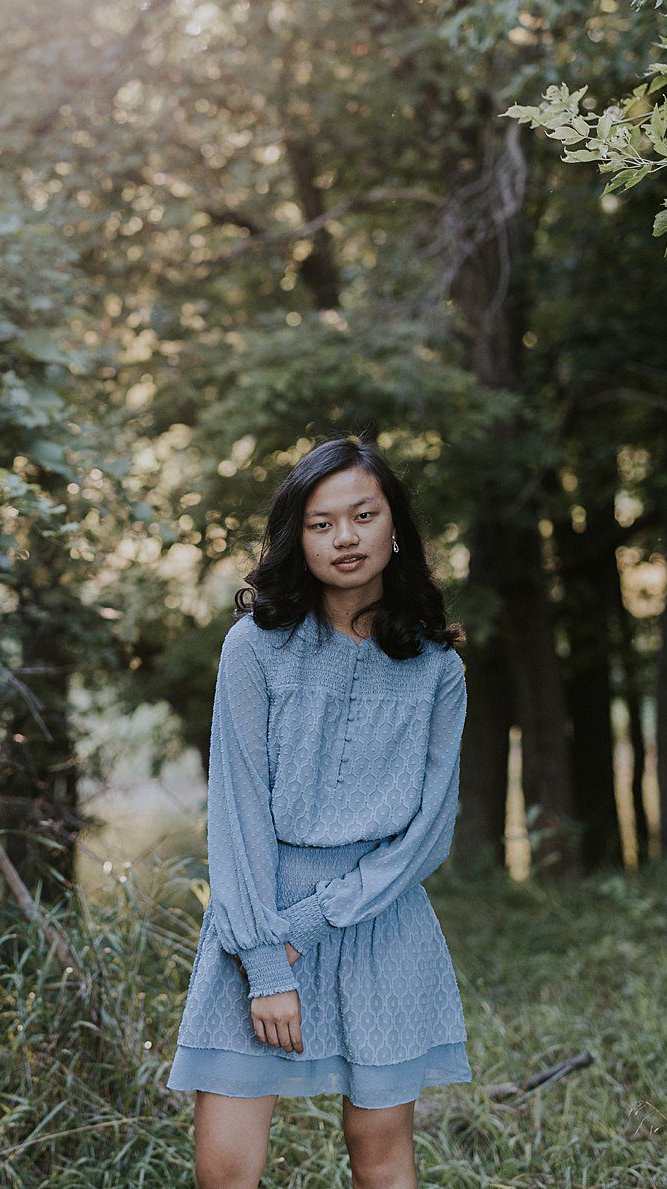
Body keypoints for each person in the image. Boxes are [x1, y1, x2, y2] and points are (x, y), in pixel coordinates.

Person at [166, 433, 473, 1188]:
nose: (344, 537)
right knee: (224, 1170)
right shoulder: (254, 649)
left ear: (392, 525)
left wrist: (315, 922)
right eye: (321, 522)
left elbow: (428, 834)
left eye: (362, 515)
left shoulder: (438, 667)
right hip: (258, 922)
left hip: (382, 922)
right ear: (295, 538)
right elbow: (236, 816)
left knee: (381, 1156)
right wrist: (267, 954)